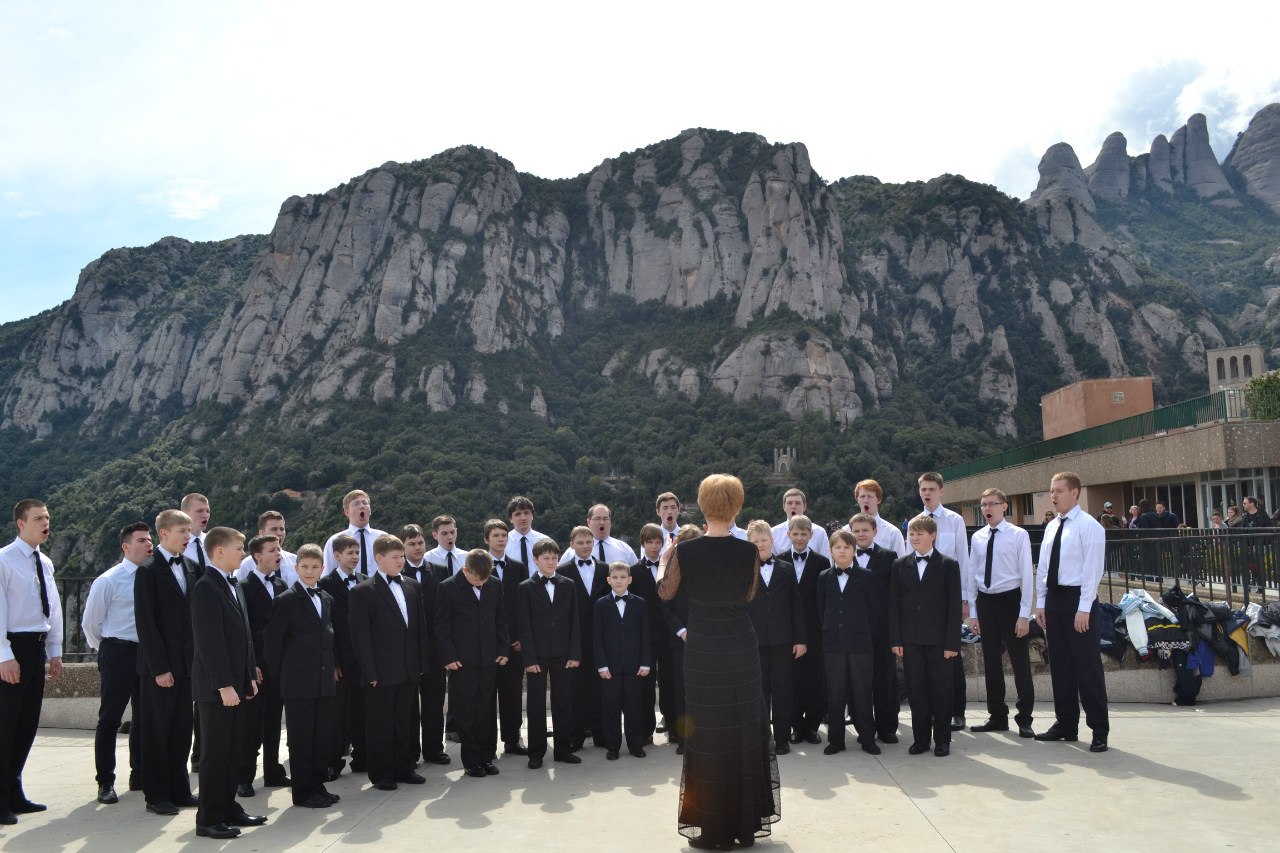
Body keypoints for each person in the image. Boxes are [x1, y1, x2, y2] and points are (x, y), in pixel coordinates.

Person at [659, 473, 780, 850]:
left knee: (708, 733)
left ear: (703, 505)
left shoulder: (685, 551)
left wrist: (663, 561)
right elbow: (750, 595)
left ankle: (713, 828)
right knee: (743, 728)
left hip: (704, 649)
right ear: (736, 506)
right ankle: (745, 825)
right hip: (741, 646)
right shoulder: (749, 551)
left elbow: (666, 592)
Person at [189, 526, 267, 839]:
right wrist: (224, 685)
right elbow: (210, 642)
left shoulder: (233, 585)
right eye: (239, 548)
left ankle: (228, 807)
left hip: (238, 682)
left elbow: (244, 636)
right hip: (217, 689)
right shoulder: (206, 587)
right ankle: (209, 818)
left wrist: (249, 675)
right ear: (220, 551)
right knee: (216, 754)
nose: (244, 554)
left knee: (234, 750)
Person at [1035, 472, 1110, 753]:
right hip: (1054, 599)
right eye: (1051, 491)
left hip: (1079, 599)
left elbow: (1093, 570)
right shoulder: (1052, 526)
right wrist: (1041, 602)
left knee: (1087, 667)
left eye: (1059, 491)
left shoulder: (1090, 526)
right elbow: (1044, 567)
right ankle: (1066, 724)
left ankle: (1099, 729)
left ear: (1075, 492)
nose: (1053, 496)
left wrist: (1084, 608)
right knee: (1061, 665)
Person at [0, 499, 63, 825]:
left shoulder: (45, 562)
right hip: (13, 648)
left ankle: (14, 792)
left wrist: (55, 650)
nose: (45, 523)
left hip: (37, 647)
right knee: (5, 726)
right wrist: (4, 655)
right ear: (20, 524)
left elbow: (53, 608)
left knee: (26, 725)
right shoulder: (4, 560)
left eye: (47, 518)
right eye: (38, 518)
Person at [350, 534, 430, 790]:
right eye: (395, 557)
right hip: (381, 672)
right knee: (380, 723)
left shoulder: (412, 586)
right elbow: (360, 637)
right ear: (379, 558)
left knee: (404, 720)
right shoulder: (363, 592)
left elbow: (419, 629)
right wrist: (370, 671)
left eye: (402, 557)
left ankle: (404, 767)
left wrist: (421, 663)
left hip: (408, 668)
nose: (400, 561)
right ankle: (382, 773)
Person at [264, 544, 339, 808]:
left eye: (315, 567)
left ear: (322, 568)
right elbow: (272, 643)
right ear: (296, 568)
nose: (309, 571)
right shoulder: (285, 600)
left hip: (323, 681)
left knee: (321, 737)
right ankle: (303, 791)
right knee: (302, 739)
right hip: (298, 684)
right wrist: (283, 676)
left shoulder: (326, 598)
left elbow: (328, 636)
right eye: (304, 567)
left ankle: (318, 785)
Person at [134, 508, 198, 816]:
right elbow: (146, 624)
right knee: (156, 731)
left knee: (182, 731)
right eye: (182, 531)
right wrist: (160, 668)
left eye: (188, 531)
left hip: (186, 665)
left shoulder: (191, 567)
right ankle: (156, 795)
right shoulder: (147, 571)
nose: (188, 536)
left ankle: (179, 790)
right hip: (159, 668)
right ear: (164, 533)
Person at [82, 521, 151, 804]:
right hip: (117, 652)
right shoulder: (109, 580)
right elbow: (90, 624)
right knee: (110, 719)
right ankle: (105, 782)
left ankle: (140, 775)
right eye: (142, 540)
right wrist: (108, 650)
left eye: (150, 539)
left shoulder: (151, 576)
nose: (149, 544)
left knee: (143, 718)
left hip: (146, 654)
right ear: (126, 547)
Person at [889, 515, 961, 757]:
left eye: (920, 533)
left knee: (941, 690)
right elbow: (894, 605)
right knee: (916, 690)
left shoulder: (948, 565)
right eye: (911, 534)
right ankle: (920, 740)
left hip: (940, 641)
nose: (914, 537)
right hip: (910, 640)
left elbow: (954, 607)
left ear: (933, 535)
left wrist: (952, 642)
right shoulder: (900, 565)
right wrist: (896, 639)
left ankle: (942, 739)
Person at [966, 489, 1036, 738]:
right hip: (986, 602)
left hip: (1010, 600)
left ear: (1004, 506)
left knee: (1020, 662)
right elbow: (973, 573)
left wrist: (1024, 614)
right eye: (983, 504)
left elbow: (1026, 574)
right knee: (991, 662)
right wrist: (973, 612)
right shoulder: (978, 537)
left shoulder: (1018, 535)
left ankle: (1025, 718)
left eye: (992, 504)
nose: (987, 508)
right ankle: (997, 716)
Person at [436, 549, 508, 779]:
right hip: (462, 662)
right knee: (466, 711)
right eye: (477, 580)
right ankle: (471, 761)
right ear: (465, 570)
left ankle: (487, 756)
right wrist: (449, 656)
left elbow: (501, 618)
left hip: (489, 658)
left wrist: (503, 648)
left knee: (487, 709)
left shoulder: (494, 584)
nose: (482, 583)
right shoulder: (447, 587)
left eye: (485, 579)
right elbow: (441, 626)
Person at [517, 538, 581, 769]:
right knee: (535, 704)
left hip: (563, 653)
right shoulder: (525, 587)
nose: (551, 561)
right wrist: (529, 658)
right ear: (536, 560)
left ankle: (563, 749)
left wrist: (574, 653)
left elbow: (574, 620)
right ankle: (536, 752)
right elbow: (524, 625)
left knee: (564, 700)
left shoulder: (568, 584)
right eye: (546, 558)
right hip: (537, 654)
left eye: (554, 557)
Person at [916, 472, 970, 732]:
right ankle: (932, 712)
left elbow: (964, 560)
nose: (927, 493)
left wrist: (966, 599)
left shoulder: (954, 520)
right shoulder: (916, 522)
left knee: (952, 657)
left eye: (931, 489)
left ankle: (957, 711)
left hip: (949, 599)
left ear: (941, 491)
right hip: (922, 603)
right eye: (923, 489)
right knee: (926, 661)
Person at [745, 520, 805, 754]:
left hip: (783, 640)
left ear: (772, 541)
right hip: (754, 642)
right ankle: (760, 739)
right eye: (755, 542)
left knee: (783, 691)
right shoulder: (743, 570)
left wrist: (800, 639)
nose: (760, 544)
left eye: (763, 540)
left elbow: (796, 606)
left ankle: (782, 738)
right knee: (758, 692)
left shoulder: (786, 568)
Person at [237, 534, 289, 796]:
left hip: (278, 665)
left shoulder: (281, 585)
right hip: (257, 666)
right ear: (257, 556)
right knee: (251, 724)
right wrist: (252, 663)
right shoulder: (243, 587)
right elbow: (244, 630)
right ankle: (244, 777)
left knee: (273, 721)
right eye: (272, 550)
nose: (278, 553)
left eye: (279, 549)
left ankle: (272, 772)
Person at [818, 529, 877, 756]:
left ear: (854, 551)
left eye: (846, 547)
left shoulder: (867, 576)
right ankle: (836, 740)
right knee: (835, 692)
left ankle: (867, 738)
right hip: (832, 643)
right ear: (831, 551)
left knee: (862, 691)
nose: (842, 551)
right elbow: (820, 609)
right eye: (837, 547)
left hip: (860, 643)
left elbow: (874, 611)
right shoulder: (824, 577)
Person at [398, 524, 449, 767]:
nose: (417, 547)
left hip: (434, 649)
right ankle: (410, 752)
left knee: (434, 702)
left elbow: (446, 612)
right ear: (403, 547)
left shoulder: (440, 571)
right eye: (411, 544)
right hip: (407, 650)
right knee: (408, 705)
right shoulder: (396, 572)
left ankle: (434, 749)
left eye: (420, 543)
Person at [848, 512, 901, 744]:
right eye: (856, 531)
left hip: (882, 630)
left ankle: (887, 728)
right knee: (857, 682)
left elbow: (896, 596)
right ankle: (863, 728)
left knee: (885, 680)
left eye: (865, 530)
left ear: (875, 532)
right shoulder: (844, 556)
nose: (861, 534)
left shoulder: (889, 557)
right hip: (855, 630)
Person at [317, 533, 366, 778]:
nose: (355, 557)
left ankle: (362, 757)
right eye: (350, 553)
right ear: (337, 555)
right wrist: (334, 661)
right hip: (341, 658)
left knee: (362, 709)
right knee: (337, 713)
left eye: (357, 552)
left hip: (362, 657)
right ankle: (332, 761)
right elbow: (327, 626)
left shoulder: (365, 580)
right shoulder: (326, 584)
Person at [557, 525, 610, 750]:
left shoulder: (606, 569)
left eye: (588, 542)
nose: (585, 546)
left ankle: (601, 734)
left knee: (600, 686)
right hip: (575, 637)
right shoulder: (562, 570)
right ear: (571, 545)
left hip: (601, 635)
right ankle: (576, 736)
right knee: (576, 687)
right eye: (580, 543)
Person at [594, 562, 652, 760]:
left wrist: (645, 662)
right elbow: (597, 637)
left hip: (634, 666)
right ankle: (612, 746)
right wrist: (601, 665)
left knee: (634, 706)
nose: (619, 581)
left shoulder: (640, 603)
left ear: (630, 580)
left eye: (623, 577)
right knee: (610, 707)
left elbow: (645, 634)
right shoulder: (601, 604)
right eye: (615, 577)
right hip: (610, 667)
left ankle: (636, 744)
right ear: (608, 580)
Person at [483, 519, 528, 757]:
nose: (501, 539)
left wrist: (521, 637)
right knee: (488, 696)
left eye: (503, 535)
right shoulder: (478, 566)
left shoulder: (518, 567)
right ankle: (488, 744)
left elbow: (523, 604)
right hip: (488, 643)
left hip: (513, 643)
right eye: (495, 536)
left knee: (512, 694)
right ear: (486, 540)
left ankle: (512, 740)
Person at [786, 514, 829, 745]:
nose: (800, 538)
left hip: (815, 630)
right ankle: (796, 727)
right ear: (788, 534)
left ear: (811, 535)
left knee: (814, 679)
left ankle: (812, 727)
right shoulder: (781, 560)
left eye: (804, 534)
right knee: (793, 681)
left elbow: (824, 598)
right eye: (795, 533)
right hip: (789, 630)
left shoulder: (822, 562)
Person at [658, 525, 701, 754]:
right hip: (679, 642)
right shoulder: (670, 573)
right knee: (681, 691)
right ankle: (685, 741)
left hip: (705, 641)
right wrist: (683, 632)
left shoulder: (707, 571)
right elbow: (666, 608)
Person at [628, 523, 670, 743]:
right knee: (645, 683)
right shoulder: (633, 571)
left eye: (658, 542)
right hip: (644, 636)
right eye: (650, 542)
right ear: (642, 544)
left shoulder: (670, 567)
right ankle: (645, 731)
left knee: (670, 680)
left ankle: (673, 725)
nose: (654, 546)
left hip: (669, 633)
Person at [322, 490, 387, 575]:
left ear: (370, 510)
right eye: (356, 503)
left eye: (365, 503)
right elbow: (327, 574)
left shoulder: (383, 538)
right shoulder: (335, 541)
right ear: (347, 512)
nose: (362, 506)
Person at [842, 479, 909, 556]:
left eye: (870, 497)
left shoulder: (893, 533)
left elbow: (900, 561)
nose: (866, 501)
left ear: (878, 500)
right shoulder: (846, 531)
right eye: (862, 496)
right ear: (857, 500)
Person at [562, 504, 638, 566]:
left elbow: (636, 574)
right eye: (597, 518)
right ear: (588, 522)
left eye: (605, 519)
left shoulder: (625, 549)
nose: (602, 522)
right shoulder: (572, 552)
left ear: (610, 522)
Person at [237, 511, 298, 586]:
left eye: (282, 529)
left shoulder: (295, 561)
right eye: (274, 529)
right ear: (261, 534)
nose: (279, 533)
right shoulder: (246, 565)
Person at [770, 489, 831, 559]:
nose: (793, 506)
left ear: (804, 506)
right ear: (784, 506)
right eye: (789, 503)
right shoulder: (773, 533)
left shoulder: (819, 532)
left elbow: (827, 561)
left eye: (797, 503)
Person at [503, 496, 549, 570]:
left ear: (532, 516)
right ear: (511, 519)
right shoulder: (504, 542)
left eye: (526, 513)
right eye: (518, 514)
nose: (523, 518)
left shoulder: (544, 541)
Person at [181, 494, 212, 570]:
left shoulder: (213, 542)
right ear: (184, 514)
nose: (205, 515)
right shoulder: (173, 547)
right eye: (199, 511)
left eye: (208, 511)